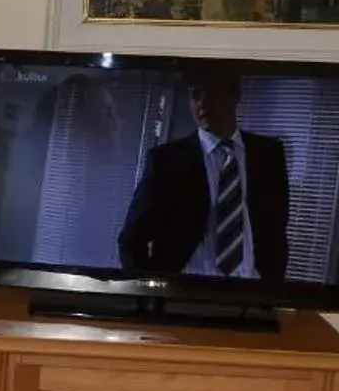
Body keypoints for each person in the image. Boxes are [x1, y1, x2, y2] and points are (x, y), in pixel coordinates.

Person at [116, 71, 290, 282]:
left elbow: (276, 231)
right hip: (186, 291)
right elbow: (131, 239)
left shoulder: (269, 154)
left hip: (250, 291)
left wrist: (272, 286)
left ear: (234, 96)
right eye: (195, 95)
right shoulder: (166, 161)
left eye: (212, 93)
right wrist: (147, 293)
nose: (202, 103)